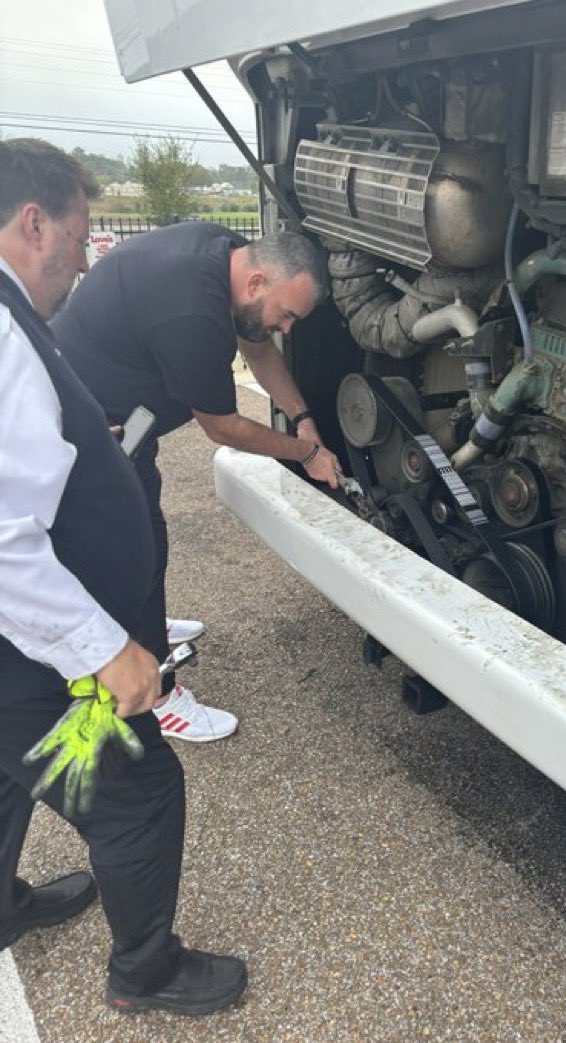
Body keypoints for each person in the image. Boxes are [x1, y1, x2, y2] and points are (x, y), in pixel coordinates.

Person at [0, 138, 246, 1015]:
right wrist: (106, 651)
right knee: (138, 791)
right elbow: (3, 541)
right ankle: (146, 971)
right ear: (33, 223)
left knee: (5, 769)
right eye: (78, 232)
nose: (83, 253)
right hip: (22, 646)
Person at [52, 222, 340, 743]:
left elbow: (259, 349)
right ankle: (158, 695)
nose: (288, 329)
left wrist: (303, 419)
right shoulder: (193, 312)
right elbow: (223, 427)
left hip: (120, 411)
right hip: (91, 429)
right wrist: (307, 453)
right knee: (137, 548)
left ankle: (145, 628)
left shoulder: (225, 254)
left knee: (145, 529)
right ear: (256, 283)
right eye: (288, 314)